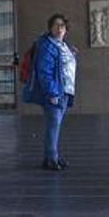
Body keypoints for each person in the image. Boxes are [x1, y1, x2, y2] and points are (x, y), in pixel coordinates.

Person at [28, 12, 77, 171]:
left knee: (55, 125)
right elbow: (44, 72)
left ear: (66, 28)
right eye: (55, 25)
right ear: (50, 28)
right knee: (53, 125)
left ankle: (51, 156)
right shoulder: (47, 46)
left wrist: (72, 54)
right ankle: (51, 159)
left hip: (65, 91)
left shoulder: (63, 45)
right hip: (55, 93)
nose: (59, 28)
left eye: (62, 25)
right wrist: (52, 93)